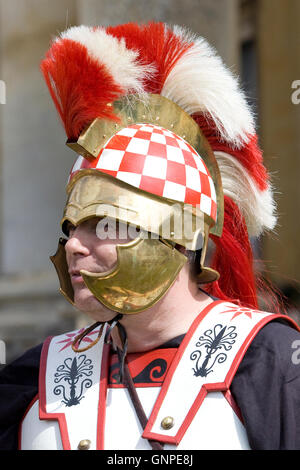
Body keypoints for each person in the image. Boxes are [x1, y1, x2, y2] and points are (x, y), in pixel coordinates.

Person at [1, 21, 300, 451]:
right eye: (70, 227)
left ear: (178, 235)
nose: (73, 245)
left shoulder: (269, 361)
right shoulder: (32, 377)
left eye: (103, 223)